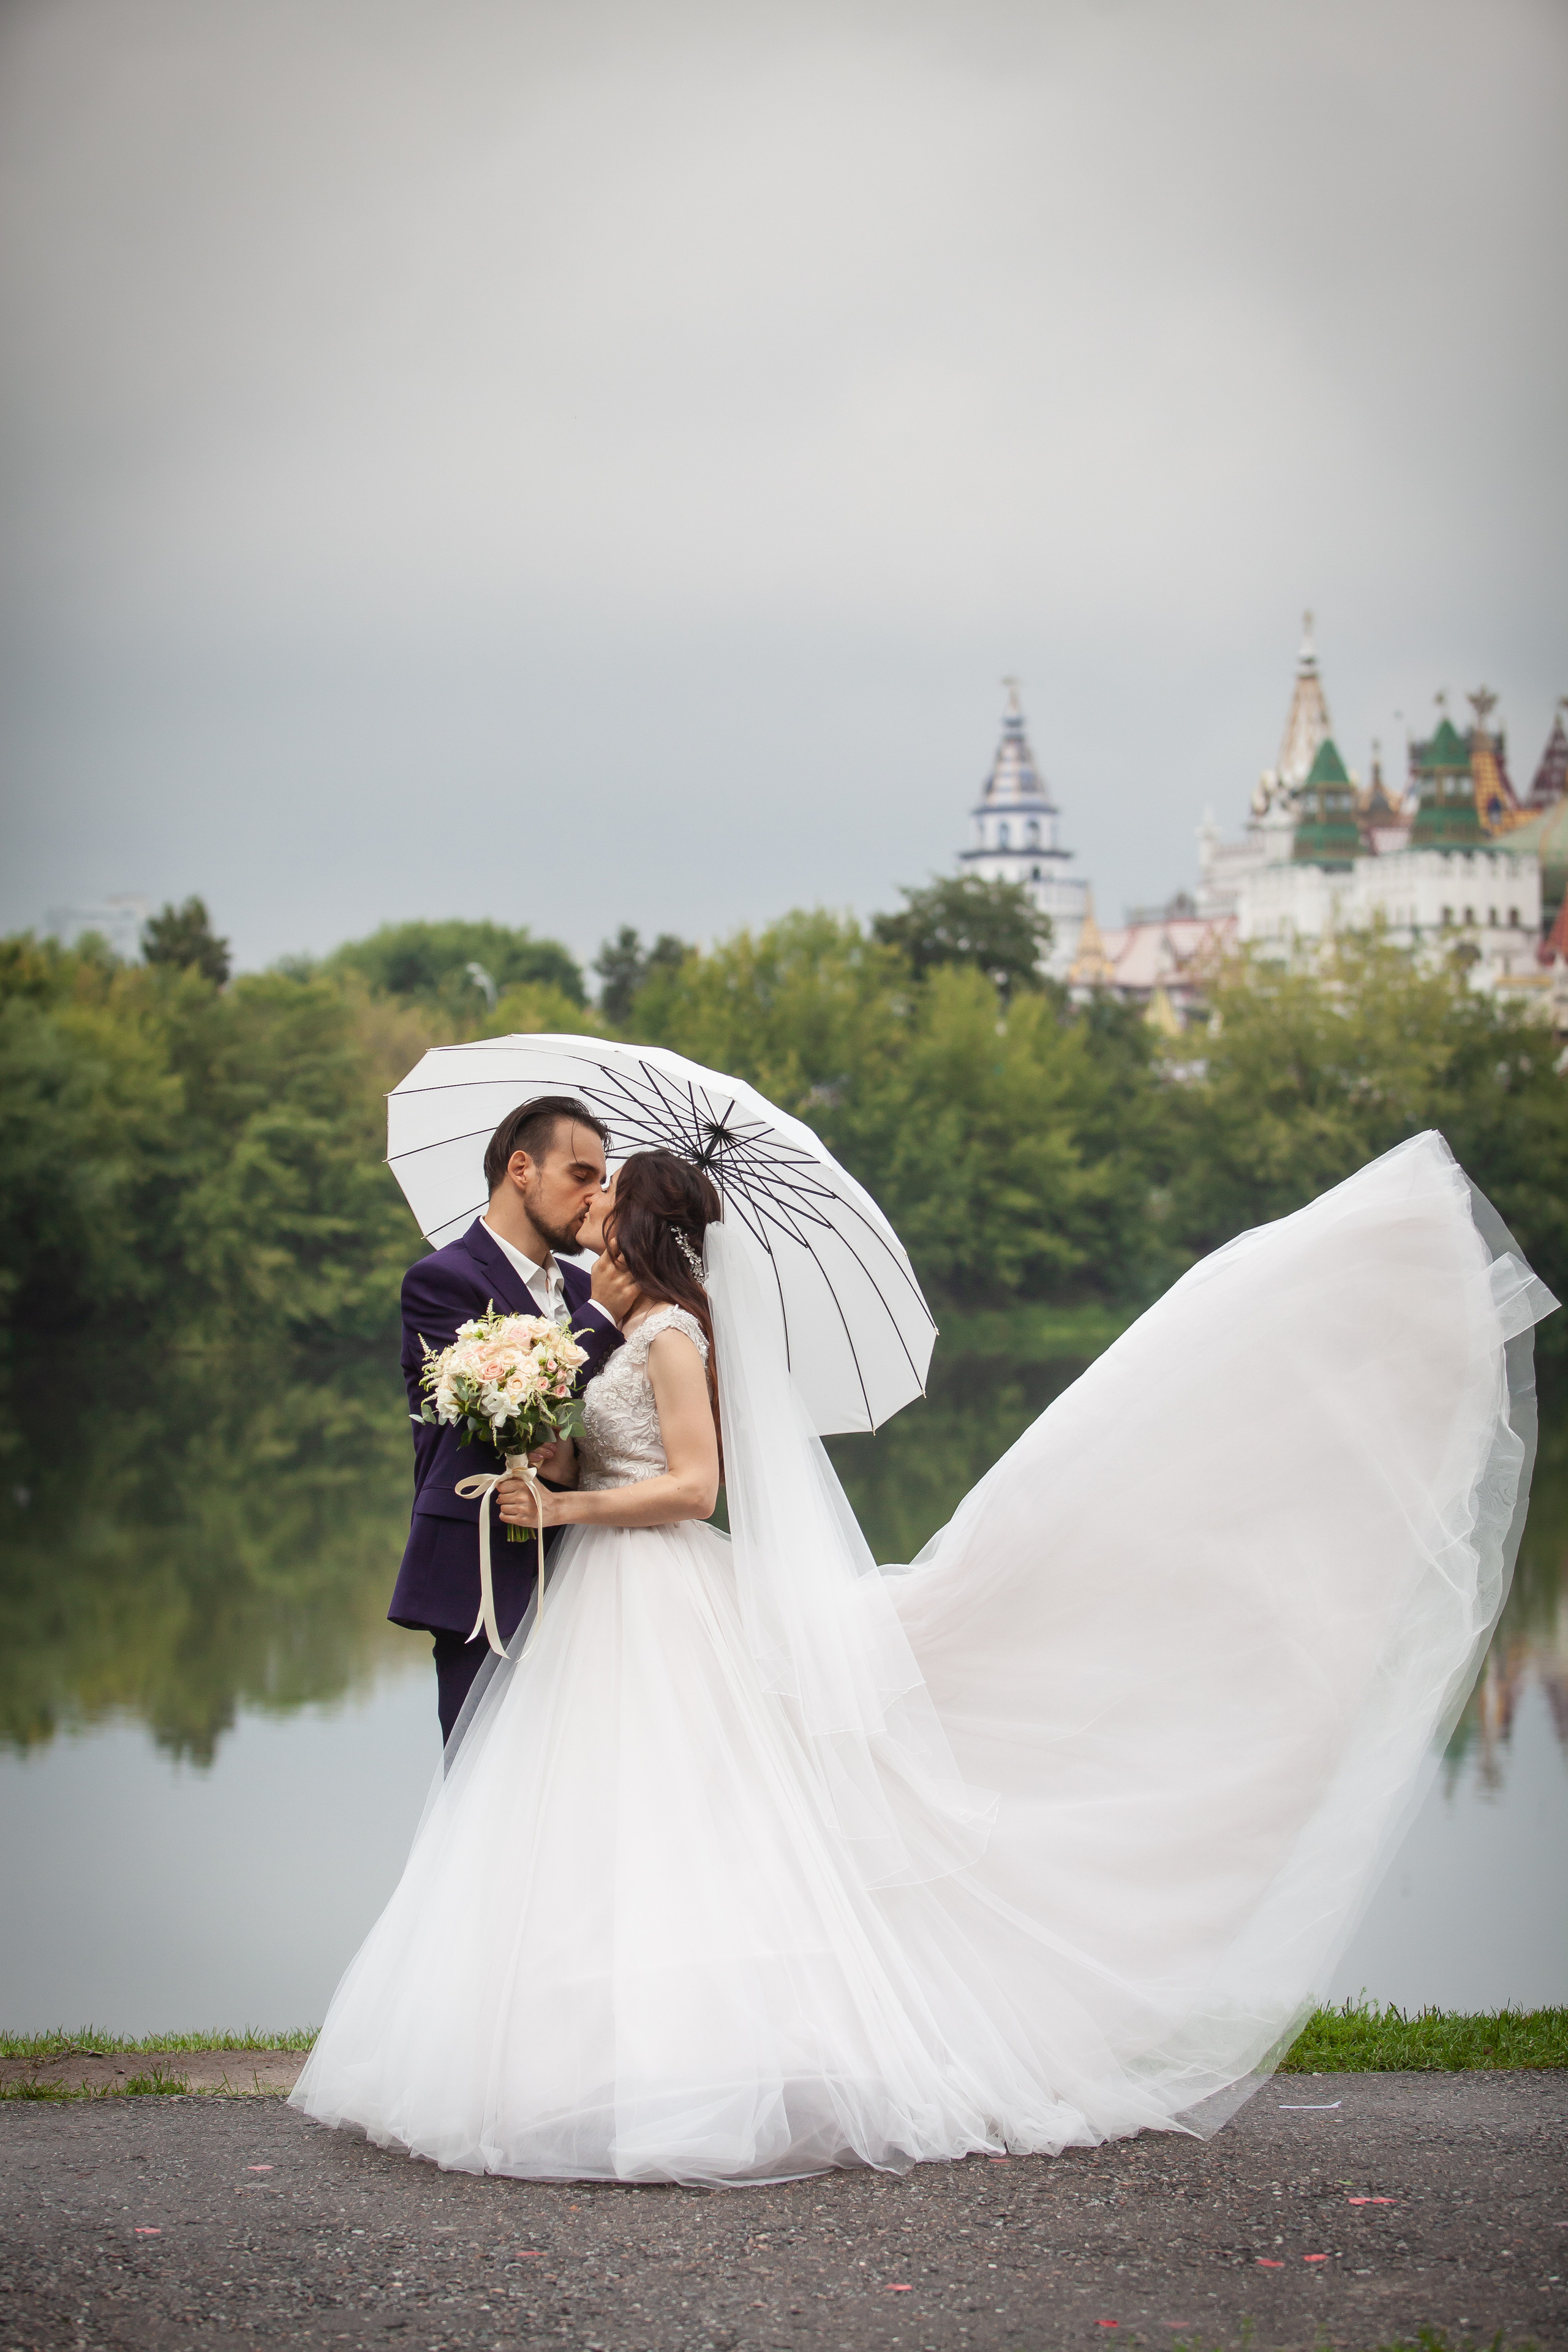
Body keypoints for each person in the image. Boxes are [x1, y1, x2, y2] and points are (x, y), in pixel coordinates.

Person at [295, 1128, 1555, 2185]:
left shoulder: (673, 1334)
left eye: (607, 1211)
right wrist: (534, 1440)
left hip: (650, 1588)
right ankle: (584, 2055)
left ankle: (671, 2064)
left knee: (686, 1824)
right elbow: (597, 1454)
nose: (590, 1225)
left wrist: (564, 1508)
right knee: (607, 1830)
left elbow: (691, 1486)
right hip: (601, 1604)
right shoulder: (615, 1333)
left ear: (643, 1238)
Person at [387, 1096, 639, 1744]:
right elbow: (496, 1416)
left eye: (602, 1182)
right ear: (521, 1168)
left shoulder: (588, 1288)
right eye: (581, 1175)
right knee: (481, 1779)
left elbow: (594, 1427)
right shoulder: (441, 1281)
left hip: (587, 1565)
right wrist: (601, 1325)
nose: (594, 1195)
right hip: (482, 1568)